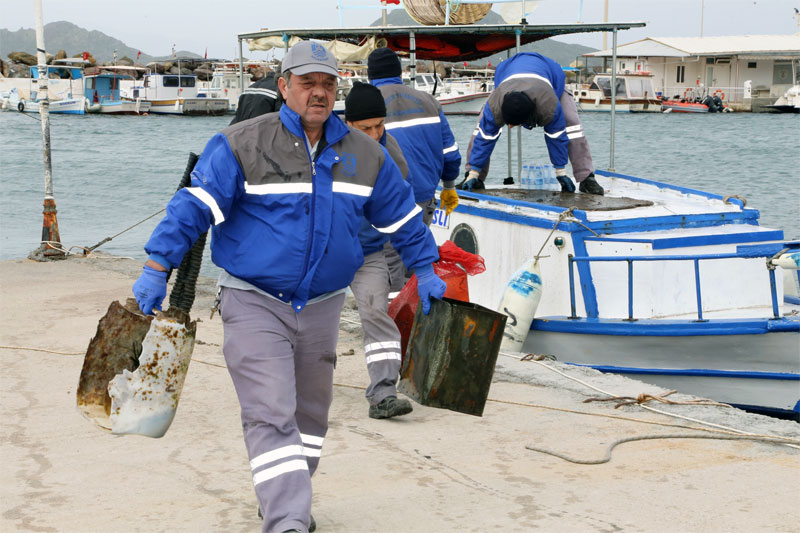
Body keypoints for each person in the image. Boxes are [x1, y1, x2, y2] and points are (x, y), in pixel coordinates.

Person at [131, 40, 446, 533]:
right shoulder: (240, 144)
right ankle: (288, 519)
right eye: (307, 83)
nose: (318, 93)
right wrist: (157, 264)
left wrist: (426, 266)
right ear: (284, 87)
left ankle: (283, 492)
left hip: (322, 305)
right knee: (271, 410)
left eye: (327, 83)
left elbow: (402, 215)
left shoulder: (364, 154)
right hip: (253, 300)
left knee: (310, 420)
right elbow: (193, 206)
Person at [344, 81, 414, 420]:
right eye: (365, 128)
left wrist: (422, 260)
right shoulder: (324, 148)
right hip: (325, 250)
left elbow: (401, 208)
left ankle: (384, 392)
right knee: (307, 319)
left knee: (376, 312)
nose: (374, 134)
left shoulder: (392, 153)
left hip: (369, 251)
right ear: (347, 124)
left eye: (379, 126)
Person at [367, 47, 461, 290]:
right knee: (416, 264)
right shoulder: (429, 101)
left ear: (370, 75)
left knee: (388, 268)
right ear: (399, 73)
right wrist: (449, 186)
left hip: (386, 205)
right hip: (423, 201)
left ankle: (394, 321)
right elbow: (450, 153)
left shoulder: (367, 106)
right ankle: (412, 317)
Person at [461, 52, 605, 196]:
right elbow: (485, 137)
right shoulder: (495, 105)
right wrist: (474, 172)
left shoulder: (548, 105)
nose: (511, 127)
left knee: (572, 125)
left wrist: (560, 171)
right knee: (481, 129)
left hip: (550, 78)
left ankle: (586, 177)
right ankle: (473, 177)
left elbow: (556, 136)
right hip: (509, 77)